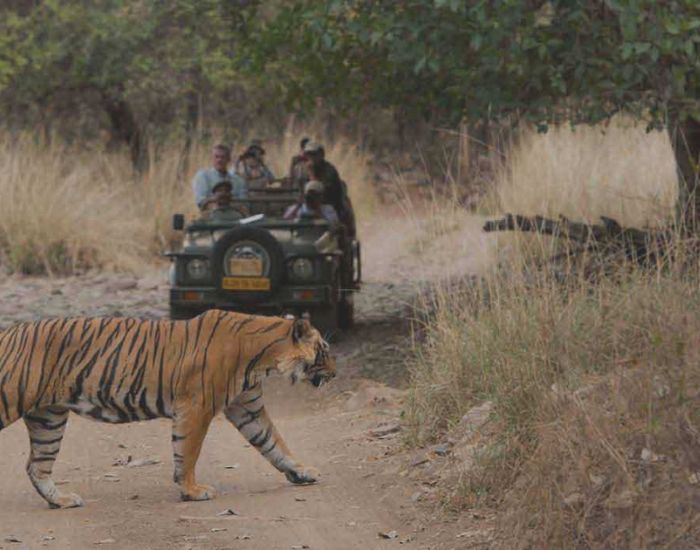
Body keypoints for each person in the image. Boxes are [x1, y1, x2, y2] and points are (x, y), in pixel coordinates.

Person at [303, 140, 356, 237]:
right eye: (309, 155)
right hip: (308, 205)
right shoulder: (302, 170)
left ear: (321, 155)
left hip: (329, 205)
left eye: (314, 154)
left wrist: (311, 175)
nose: (311, 158)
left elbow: (322, 190)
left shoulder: (329, 170)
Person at [192, 144, 247, 210]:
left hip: (235, 214)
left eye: (223, 157)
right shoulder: (204, 176)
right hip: (212, 215)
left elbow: (243, 202)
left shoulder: (238, 180)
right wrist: (215, 207)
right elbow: (201, 201)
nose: (219, 160)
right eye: (216, 157)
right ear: (212, 158)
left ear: (228, 159)